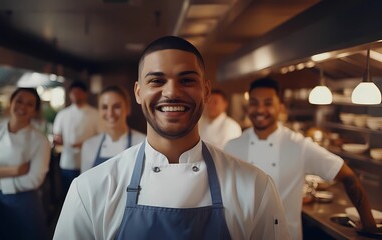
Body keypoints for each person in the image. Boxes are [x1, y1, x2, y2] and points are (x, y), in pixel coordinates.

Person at [54, 36, 289, 240]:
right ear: (138, 92)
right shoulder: (90, 189)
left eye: (186, 80)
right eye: (156, 81)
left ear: (206, 91)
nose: (172, 92)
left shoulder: (256, 188)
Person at [225, 77, 378, 239]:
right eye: (254, 103)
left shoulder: (299, 146)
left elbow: (347, 176)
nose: (260, 110)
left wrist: (369, 225)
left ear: (281, 107)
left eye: (268, 103)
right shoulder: (232, 147)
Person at [0, 88, 50, 240]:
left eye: (30, 104)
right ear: (11, 102)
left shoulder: (40, 139)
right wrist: (15, 170)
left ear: (35, 111)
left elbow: (34, 179)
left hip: (27, 204)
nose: (22, 106)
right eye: (19, 100)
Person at [81, 85, 146, 172]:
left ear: (128, 108)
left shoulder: (143, 143)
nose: (110, 113)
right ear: (99, 111)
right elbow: (85, 184)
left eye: (116, 107)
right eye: (104, 107)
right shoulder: (89, 146)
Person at [53, 80, 100, 196]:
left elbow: (102, 137)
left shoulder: (95, 114)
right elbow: (57, 136)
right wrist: (58, 140)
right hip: (67, 161)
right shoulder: (63, 114)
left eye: (78, 92)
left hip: (89, 162)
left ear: (85, 94)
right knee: (68, 195)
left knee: (86, 195)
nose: (75, 95)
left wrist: (85, 144)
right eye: (73, 93)